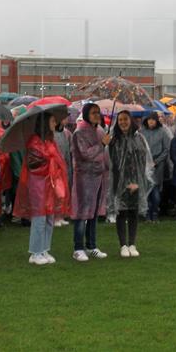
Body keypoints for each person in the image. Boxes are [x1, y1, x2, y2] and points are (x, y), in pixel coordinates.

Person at [13, 112, 69, 265]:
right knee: (39, 217)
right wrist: (50, 161)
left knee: (50, 217)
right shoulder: (34, 142)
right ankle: (35, 252)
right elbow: (33, 165)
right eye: (52, 121)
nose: (54, 124)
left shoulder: (50, 141)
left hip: (49, 184)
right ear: (45, 124)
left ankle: (44, 249)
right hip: (38, 184)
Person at [108, 110, 153, 258]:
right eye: (120, 120)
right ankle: (123, 245)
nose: (122, 122)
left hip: (136, 182)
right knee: (121, 212)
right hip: (119, 182)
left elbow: (143, 161)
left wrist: (137, 182)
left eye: (125, 119)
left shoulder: (139, 138)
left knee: (133, 212)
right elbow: (112, 163)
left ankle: (132, 243)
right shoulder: (114, 140)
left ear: (131, 120)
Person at [70, 103, 110, 262]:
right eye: (93, 113)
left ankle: (92, 245)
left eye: (98, 113)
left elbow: (104, 154)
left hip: (99, 177)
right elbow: (85, 154)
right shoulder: (79, 132)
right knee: (82, 213)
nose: (97, 115)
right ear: (86, 114)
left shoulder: (100, 130)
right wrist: (102, 144)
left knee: (93, 213)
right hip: (84, 178)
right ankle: (78, 248)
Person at [142, 112, 171, 222]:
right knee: (146, 191)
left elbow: (166, 149)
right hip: (145, 165)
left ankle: (155, 213)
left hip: (158, 165)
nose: (151, 121)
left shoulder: (162, 132)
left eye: (153, 119)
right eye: (149, 119)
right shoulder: (142, 132)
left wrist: (157, 161)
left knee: (156, 191)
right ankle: (147, 214)